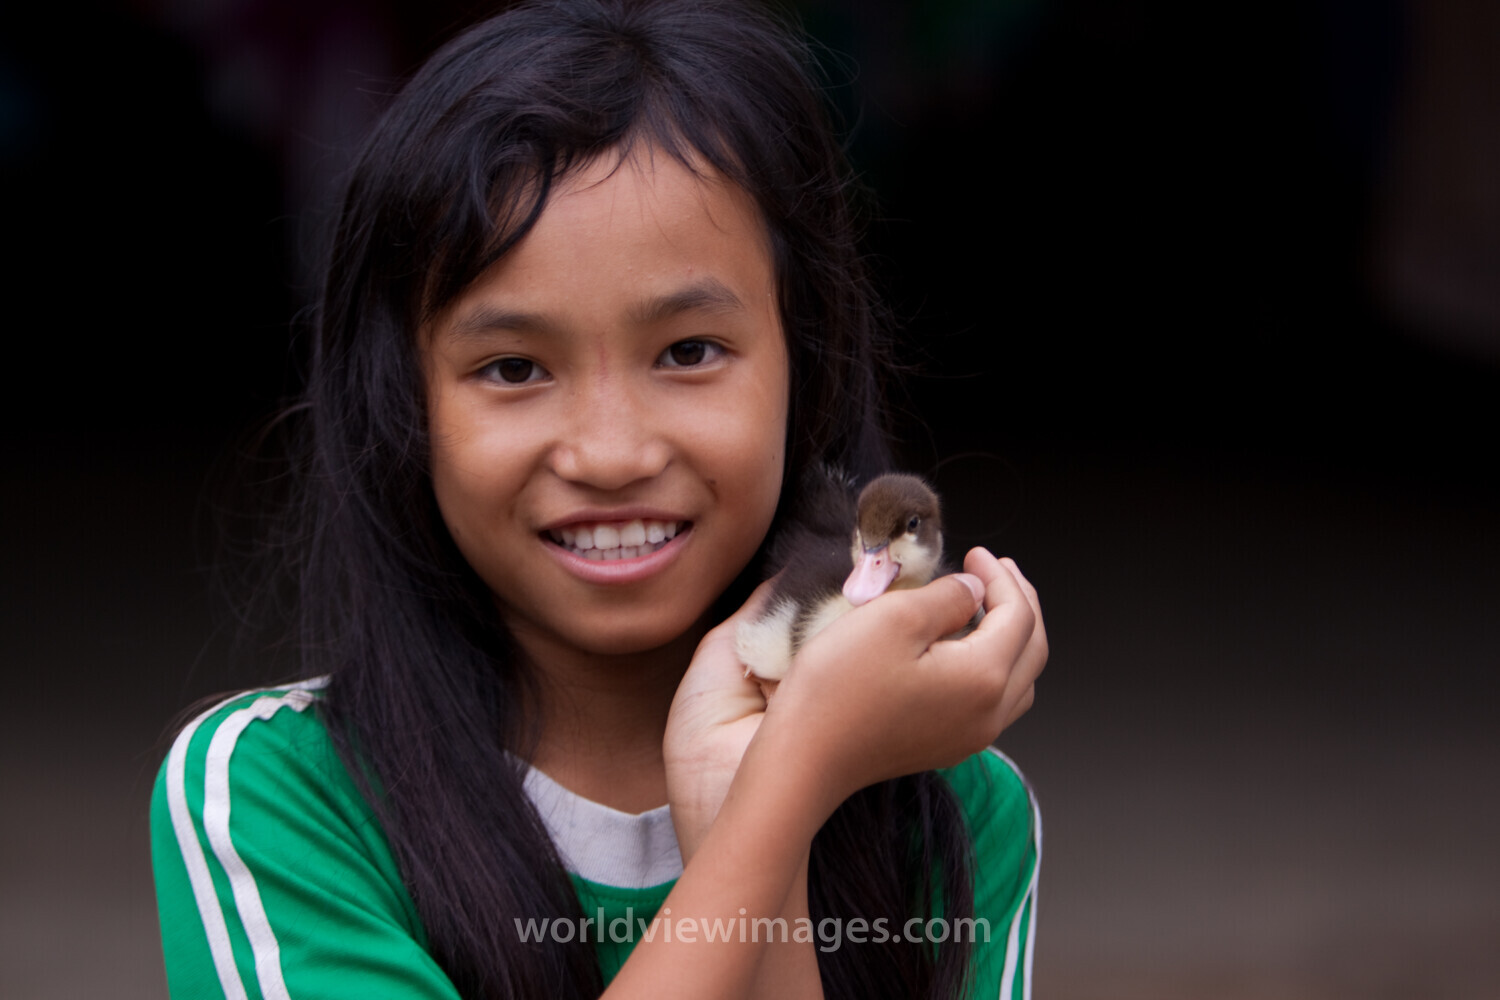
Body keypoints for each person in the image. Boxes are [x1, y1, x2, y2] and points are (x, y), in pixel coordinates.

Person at [149, 1, 1047, 998]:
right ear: (402, 408)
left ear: (809, 367)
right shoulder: (279, 798)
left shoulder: (952, 805)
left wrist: (773, 779)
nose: (611, 453)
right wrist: (789, 780)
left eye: (689, 351)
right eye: (514, 366)